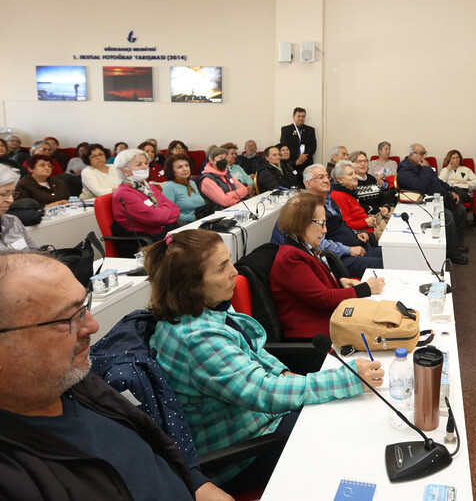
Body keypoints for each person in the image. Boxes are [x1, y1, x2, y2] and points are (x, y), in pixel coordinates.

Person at [0, 253, 225, 501]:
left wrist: (194, 482)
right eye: (66, 319)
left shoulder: (61, 375)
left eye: (83, 306)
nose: (91, 327)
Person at [146, 228, 383, 489]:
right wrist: (347, 379)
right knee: (350, 438)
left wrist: (283, 374)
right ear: (192, 286)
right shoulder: (197, 340)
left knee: (347, 414)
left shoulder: (204, 312)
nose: (234, 272)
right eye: (223, 267)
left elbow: (253, 352)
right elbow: (264, 392)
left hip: (259, 423)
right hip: (245, 453)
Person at [270, 192, 387, 339]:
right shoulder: (290, 258)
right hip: (315, 337)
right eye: (321, 224)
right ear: (302, 222)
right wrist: (365, 289)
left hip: (330, 321)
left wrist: (340, 282)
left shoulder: (304, 247)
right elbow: (324, 298)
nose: (325, 230)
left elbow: (312, 286)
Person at [270, 165, 383, 278]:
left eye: (327, 177)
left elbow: (341, 225)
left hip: (357, 246)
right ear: (308, 183)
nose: (326, 180)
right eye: (320, 177)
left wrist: (356, 233)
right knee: (386, 262)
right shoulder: (306, 208)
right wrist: (348, 250)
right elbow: (318, 244)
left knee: (390, 254)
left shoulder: (328, 200)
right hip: (339, 258)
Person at [397, 144, 469, 264]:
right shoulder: (404, 170)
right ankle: (452, 253)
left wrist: (451, 190)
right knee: (448, 216)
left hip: (438, 199)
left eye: (425, 153)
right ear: (411, 155)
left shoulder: (420, 166)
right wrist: (426, 169)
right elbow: (420, 186)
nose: (424, 156)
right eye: (421, 153)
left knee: (460, 210)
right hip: (423, 205)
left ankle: (455, 244)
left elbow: (437, 180)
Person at [111, 149, 180, 252]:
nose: (145, 167)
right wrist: (165, 212)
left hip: (161, 235)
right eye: (139, 164)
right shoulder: (124, 193)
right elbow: (156, 218)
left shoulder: (149, 187)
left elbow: (176, 210)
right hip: (142, 243)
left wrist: (162, 213)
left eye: (146, 163)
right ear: (124, 171)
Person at [330, 160, 390, 238]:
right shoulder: (338, 196)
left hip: (370, 227)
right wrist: (365, 222)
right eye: (350, 174)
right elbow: (345, 225)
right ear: (340, 179)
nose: (355, 176)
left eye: (355, 173)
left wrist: (370, 219)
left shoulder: (350, 192)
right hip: (363, 235)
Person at [162, 154, 206, 224]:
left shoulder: (191, 183)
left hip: (201, 220)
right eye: (180, 167)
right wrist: (193, 218)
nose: (185, 169)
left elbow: (201, 203)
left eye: (186, 165)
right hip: (183, 224)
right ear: (172, 171)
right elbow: (169, 214)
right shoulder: (169, 187)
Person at [278, 107, 317, 171]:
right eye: (299, 116)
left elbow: (313, 146)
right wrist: (298, 155)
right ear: (293, 117)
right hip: (292, 161)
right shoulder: (286, 129)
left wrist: (303, 157)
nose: (301, 118)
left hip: (306, 162)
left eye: (303, 116)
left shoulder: (310, 130)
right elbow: (284, 145)